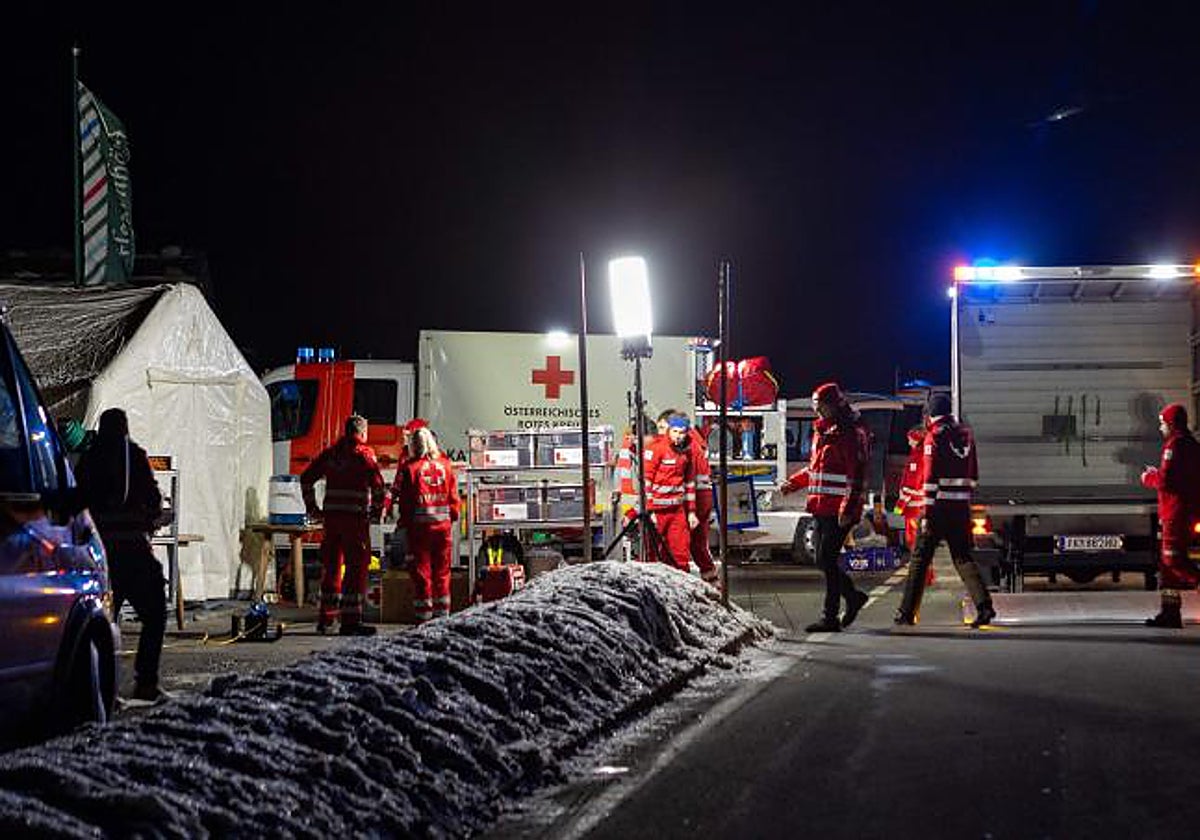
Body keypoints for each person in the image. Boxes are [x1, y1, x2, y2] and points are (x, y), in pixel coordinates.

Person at [75, 408, 167, 702]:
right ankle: (146, 682)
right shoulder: (134, 457)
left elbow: (77, 501)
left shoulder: (88, 459)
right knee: (154, 614)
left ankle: (103, 690)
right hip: (133, 551)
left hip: (99, 554)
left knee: (101, 623)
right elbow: (153, 500)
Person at [895, 393, 995, 627]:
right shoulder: (966, 435)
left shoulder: (934, 437)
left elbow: (930, 477)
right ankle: (984, 606)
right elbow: (974, 474)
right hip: (960, 508)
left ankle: (906, 612)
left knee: (919, 560)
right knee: (963, 558)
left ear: (930, 414)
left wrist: (927, 513)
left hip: (938, 509)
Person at [781, 383, 870, 633]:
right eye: (815, 405)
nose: (817, 410)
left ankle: (831, 616)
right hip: (822, 506)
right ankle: (852, 598)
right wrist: (794, 483)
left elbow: (856, 475)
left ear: (834, 405)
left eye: (820, 405)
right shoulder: (824, 431)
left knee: (826, 559)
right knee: (823, 560)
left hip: (838, 509)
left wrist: (847, 509)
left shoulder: (850, 433)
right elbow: (816, 469)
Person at [301, 414, 385, 636]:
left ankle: (326, 619)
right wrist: (376, 512)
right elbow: (378, 486)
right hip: (355, 521)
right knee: (355, 570)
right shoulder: (364, 455)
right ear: (363, 433)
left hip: (331, 521)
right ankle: (351, 621)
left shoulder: (331, 454)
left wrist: (313, 508)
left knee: (331, 568)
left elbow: (306, 478)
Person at [1140, 403, 1200, 628]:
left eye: (1163, 423)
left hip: (1176, 514)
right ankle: (1170, 612)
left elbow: (1167, 481)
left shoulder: (1174, 446)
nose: (1160, 428)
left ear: (1172, 424)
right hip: (1183, 512)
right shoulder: (1191, 444)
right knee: (1167, 570)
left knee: (1173, 560)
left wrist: (1149, 478)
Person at [394, 426, 460, 622]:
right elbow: (454, 499)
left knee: (422, 573)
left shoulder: (410, 468)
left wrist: (404, 524)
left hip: (419, 531)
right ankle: (443, 615)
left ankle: (423, 617)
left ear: (414, 445)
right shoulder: (446, 465)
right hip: (443, 529)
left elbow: (406, 503)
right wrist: (451, 518)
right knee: (442, 572)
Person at [645, 413, 698, 571]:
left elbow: (689, 483)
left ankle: (682, 583)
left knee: (680, 552)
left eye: (682, 432)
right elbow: (646, 481)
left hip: (677, 510)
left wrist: (691, 512)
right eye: (675, 431)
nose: (678, 436)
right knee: (653, 552)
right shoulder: (656, 449)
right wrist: (650, 510)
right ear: (669, 430)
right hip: (657, 510)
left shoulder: (687, 451)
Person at [897, 424, 935, 585]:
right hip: (920, 508)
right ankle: (925, 575)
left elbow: (910, 485)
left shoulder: (916, 458)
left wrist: (899, 507)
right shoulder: (924, 455)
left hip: (913, 509)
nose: (908, 442)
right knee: (921, 544)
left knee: (915, 544)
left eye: (910, 439)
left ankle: (921, 577)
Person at [687, 419, 720, 587]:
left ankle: (682, 585)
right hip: (703, 495)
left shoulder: (688, 443)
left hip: (696, 497)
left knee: (683, 544)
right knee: (698, 542)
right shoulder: (697, 441)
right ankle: (711, 579)